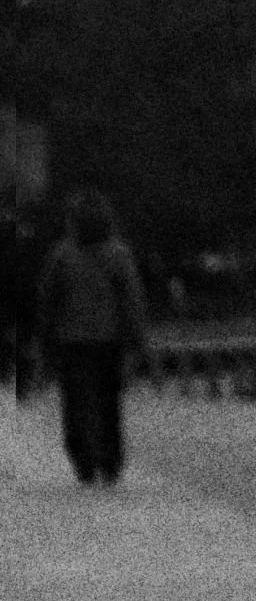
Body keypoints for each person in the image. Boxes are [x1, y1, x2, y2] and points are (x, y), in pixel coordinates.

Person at [34, 187, 150, 485]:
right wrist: (137, 338)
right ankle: (110, 462)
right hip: (108, 340)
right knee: (108, 402)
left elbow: (48, 301)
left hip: (71, 342)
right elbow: (131, 299)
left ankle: (83, 459)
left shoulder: (62, 255)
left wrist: (45, 341)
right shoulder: (118, 253)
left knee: (74, 404)